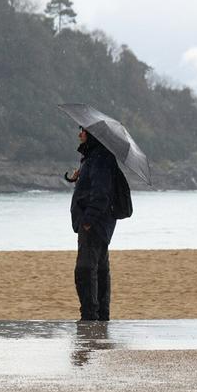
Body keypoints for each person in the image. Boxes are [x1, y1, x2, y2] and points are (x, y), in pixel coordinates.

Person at [69, 127, 119, 321]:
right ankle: (100, 315)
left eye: (83, 131)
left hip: (95, 223)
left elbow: (101, 194)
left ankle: (91, 316)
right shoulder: (94, 157)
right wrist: (77, 179)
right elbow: (93, 188)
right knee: (98, 268)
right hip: (100, 222)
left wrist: (88, 220)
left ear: (92, 136)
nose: (79, 134)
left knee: (85, 269)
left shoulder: (99, 158)